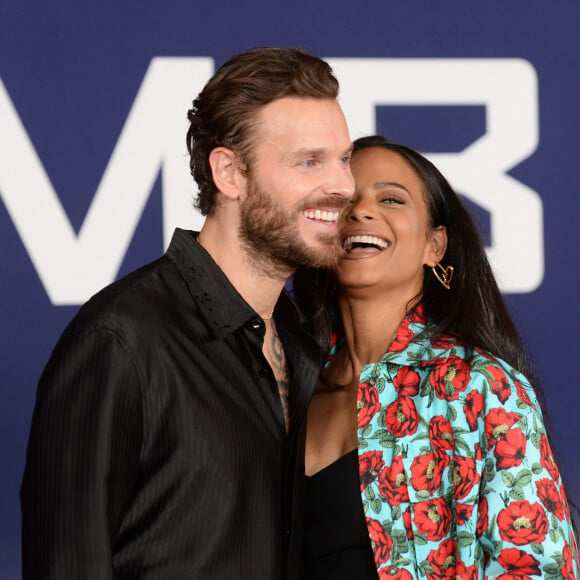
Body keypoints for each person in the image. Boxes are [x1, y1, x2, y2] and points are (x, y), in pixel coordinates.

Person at [20, 47, 354, 579]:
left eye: (343, 159)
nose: (342, 185)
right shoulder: (122, 341)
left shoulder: (308, 347)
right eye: (310, 161)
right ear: (230, 174)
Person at [295, 135, 579, 579]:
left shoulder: (480, 386)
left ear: (436, 246)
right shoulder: (286, 385)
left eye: (391, 199)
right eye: (345, 200)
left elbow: (537, 570)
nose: (361, 211)